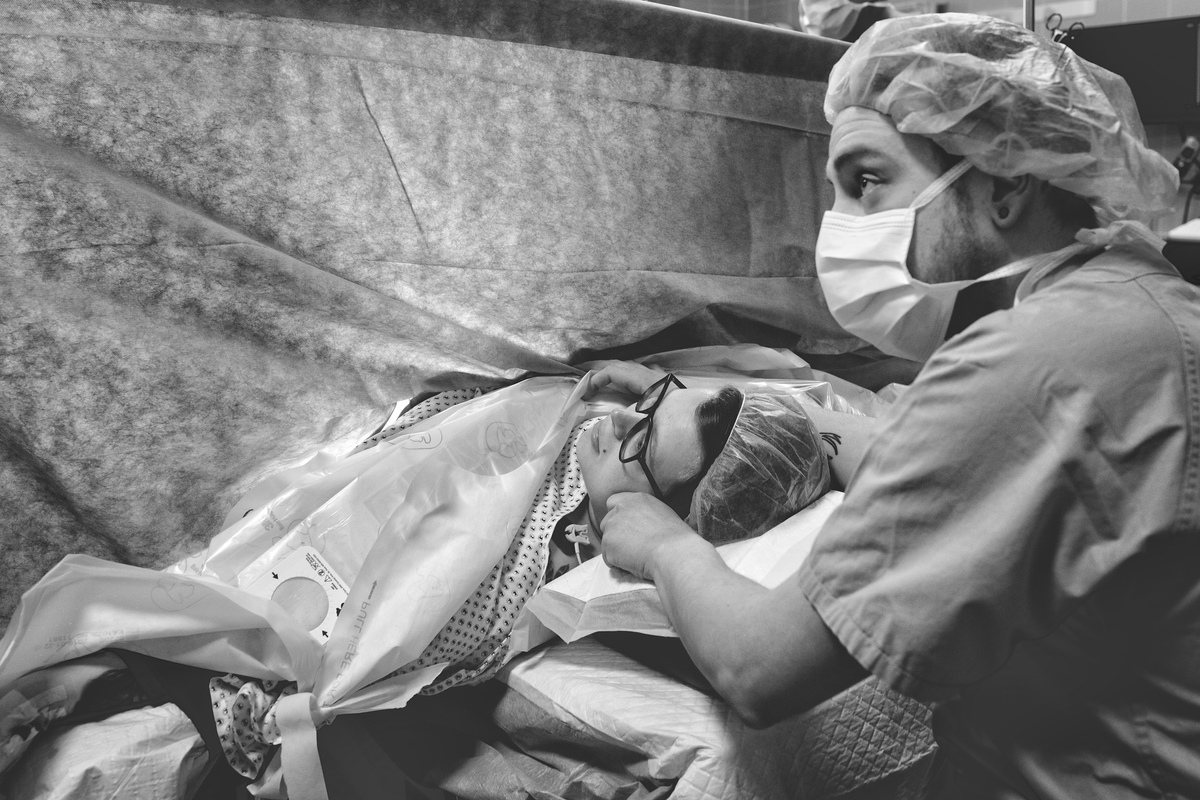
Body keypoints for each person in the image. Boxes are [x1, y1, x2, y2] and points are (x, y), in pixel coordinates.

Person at [597, 13, 1200, 800]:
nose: (840, 227)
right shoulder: (1142, 313)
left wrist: (650, 533)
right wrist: (755, 407)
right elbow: (973, 474)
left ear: (1006, 182)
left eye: (867, 182)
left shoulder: (1033, 361)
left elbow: (759, 669)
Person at [0, 367, 831, 789]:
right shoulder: (580, 417)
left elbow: (398, 628)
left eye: (641, 444)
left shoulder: (572, 556)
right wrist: (645, 390)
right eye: (653, 400)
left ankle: (121, 664)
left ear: (670, 513)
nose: (619, 421)